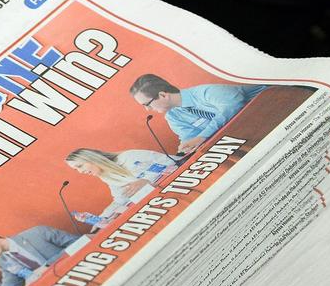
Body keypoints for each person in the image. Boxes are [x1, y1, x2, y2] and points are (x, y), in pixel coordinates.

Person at [129, 74, 268, 153]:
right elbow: (190, 137)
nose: (147, 110)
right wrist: (186, 148)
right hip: (248, 135)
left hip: (268, 111)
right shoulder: (173, 117)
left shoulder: (206, 92)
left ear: (163, 95)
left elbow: (233, 105)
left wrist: (202, 136)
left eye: (147, 104)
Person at [65, 147, 177, 203]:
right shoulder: (105, 176)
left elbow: (171, 162)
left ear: (91, 159)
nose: (81, 172)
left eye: (80, 166)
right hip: (164, 195)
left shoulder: (129, 157)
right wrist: (103, 218)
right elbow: (120, 199)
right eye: (76, 170)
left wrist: (147, 181)